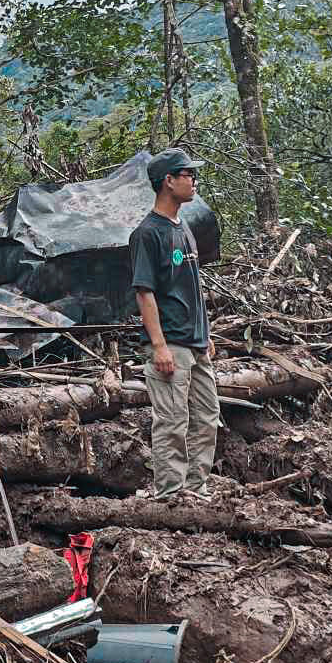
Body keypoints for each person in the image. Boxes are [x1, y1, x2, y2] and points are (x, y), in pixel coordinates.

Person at [129, 148, 220, 498]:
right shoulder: (147, 234)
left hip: (195, 343)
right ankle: (171, 496)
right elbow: (145, 293)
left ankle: (195, 491)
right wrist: (159, 346)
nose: (194, 181)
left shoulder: (184, 229)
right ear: (168, 181)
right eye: (188, 174)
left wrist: (205, 333)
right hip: (171, 345)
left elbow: (192, 286)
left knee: (207, 416)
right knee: (172, 422)